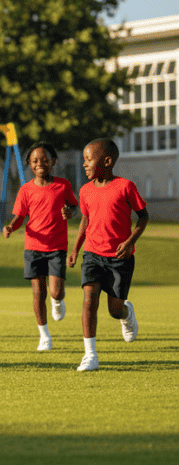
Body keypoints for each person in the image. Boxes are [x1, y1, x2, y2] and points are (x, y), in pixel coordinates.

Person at [67, 139, 148, 372]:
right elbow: (85, 219)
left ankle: (126, 312)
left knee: (114, 310)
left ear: (107, 161)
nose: (84, 164)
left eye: (88, 159)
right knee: (89, 299)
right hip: (92, 254)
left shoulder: (125, 187)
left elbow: (143, 217)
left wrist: (130, 241)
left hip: (119, 258)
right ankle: (90, 355)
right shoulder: (85, 190)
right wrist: (75, 249)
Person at [3, 142, 78, 351]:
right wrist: (10, 226)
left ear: (53, 162)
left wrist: (70, 212)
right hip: (34, 246)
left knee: (55, 292)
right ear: (29, 164)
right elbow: (19, 217)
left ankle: (58, 301)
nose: (40, 163)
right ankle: (44, 335)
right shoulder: (26, 190)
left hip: (56, 247)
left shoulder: (63, 185)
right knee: (38, 293)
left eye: (45, 159)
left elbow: (73, 204)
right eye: (35, 160)